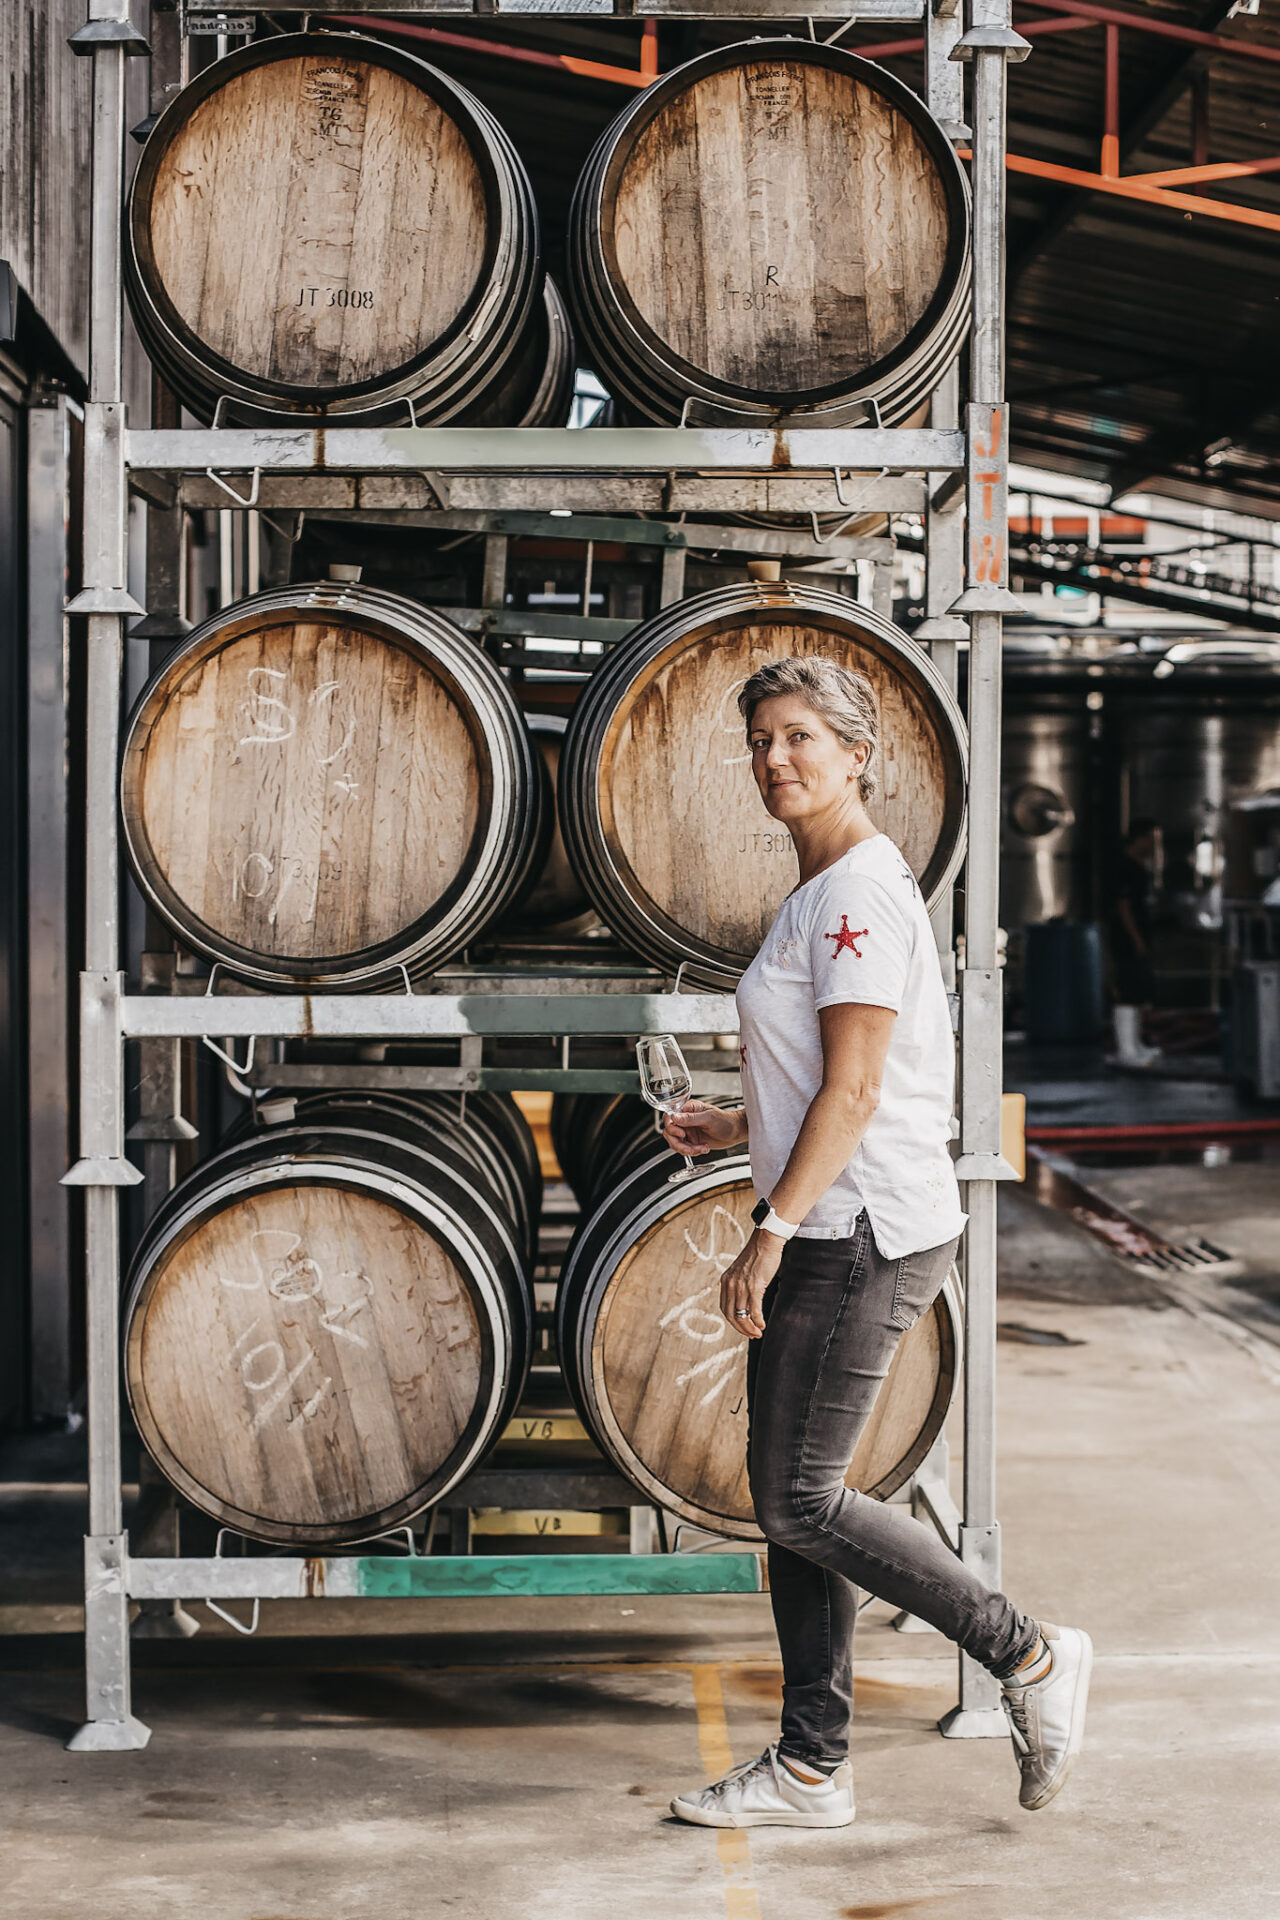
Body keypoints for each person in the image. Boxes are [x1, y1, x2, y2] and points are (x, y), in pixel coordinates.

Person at [661, 655, 1091, 1830]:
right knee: (792, 1496)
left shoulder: (852, 895)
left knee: (799, 1499)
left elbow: (852, 1097)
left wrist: (768, 1229)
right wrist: (734, 1123)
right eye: (757, 740)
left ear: (857, 755)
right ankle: (810, 1767)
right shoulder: (830, 890)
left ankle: (1029, 1655)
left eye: (798, 736)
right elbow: (847, 1077)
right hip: (843, 1217)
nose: (774, 759)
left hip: (859, 1230)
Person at [1108, 818, 1162, 1069]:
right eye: (1150, 840)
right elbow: (1123, 907)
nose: (1153, 846)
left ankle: (1135, 1044)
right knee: (1127, 992)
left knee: (1138, 992)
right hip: (1127, 940)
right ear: (1138, 839)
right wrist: (1136, 939)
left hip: (1139, 938)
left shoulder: (1139, 868)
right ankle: (1126, 1051)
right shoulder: (1124, 868)